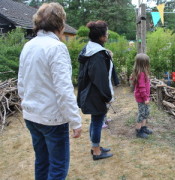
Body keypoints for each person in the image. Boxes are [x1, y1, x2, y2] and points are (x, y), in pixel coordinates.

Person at [17, 3, 82, 179]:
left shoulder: (28, 45)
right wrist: (75, 121)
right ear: (60, 24)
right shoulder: (57, 47)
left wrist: (26, 105)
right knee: (58, 167)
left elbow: (21, 83)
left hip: (32, 116)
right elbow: (64, 89)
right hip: (52, 120)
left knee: (42, 161)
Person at [77, 20, 114, 160]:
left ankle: (95, 146)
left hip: (90, 92)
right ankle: (97, 152)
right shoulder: (97, 54)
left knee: (95, 121)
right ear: (102, 37)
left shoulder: (89, 49)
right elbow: (100, 79)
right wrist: (107, 96)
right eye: (107, 33)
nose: (108, 35)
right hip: (95, 94)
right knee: (98, 121)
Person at [131, 53, 153, 138]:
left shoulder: (142, 72)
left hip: (145, 97)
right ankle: (138, 131)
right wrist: (145, 98)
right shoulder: (141, 74)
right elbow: (142, 88)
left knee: (146, 112)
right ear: (144, 64)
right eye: (147, 63)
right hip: (142, 98)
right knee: (141, 113)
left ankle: (143, 127)